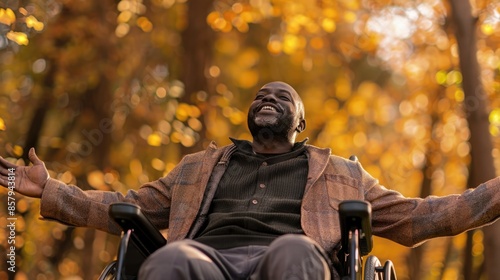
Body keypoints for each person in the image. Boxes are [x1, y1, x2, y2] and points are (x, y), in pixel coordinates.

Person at [1, 81, 500, 279]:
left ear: (300, 123)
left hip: (292, 258)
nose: (268, 98)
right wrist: (49, 189)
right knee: (171, 257)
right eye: (261, 94)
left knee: (295, 252)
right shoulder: (198, 166)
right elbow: (125, 205)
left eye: (282, 97)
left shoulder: (344, 174)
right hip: (207, 258)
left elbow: (422, 216)